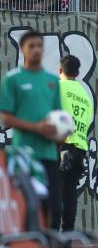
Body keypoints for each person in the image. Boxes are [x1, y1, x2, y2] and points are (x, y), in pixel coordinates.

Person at [0, 31, 63, 231]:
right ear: (23, 49)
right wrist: (36, 127)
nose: (36, 50)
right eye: (31, 46)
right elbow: (6, 117)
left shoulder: (52, 80)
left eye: (39, 46)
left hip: (48, 153)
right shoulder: (12, 79)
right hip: (23, 154)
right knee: (26, 204)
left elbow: (57, 116)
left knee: (51, 205)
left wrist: (59, 133)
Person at [58, 55, 93, 235]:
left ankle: (51, 234)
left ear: (59, 70)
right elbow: (87, 124)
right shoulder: (85, 96)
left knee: (54, 191)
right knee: (70, 192)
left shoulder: (57, 87)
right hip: (80, 147)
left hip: (61, 145)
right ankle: (67, 234)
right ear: (78, 73)